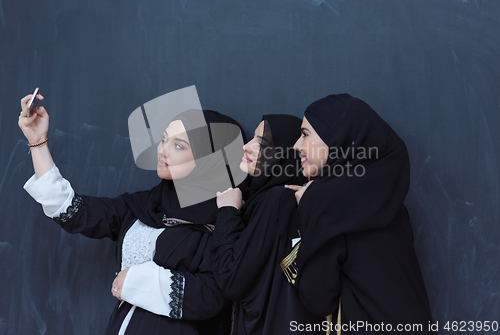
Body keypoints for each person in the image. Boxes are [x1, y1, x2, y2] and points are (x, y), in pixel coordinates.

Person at [18, 92, 244, 335]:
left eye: (178, 145)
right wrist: (37, 141)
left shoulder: (222, 220)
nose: (162, 151)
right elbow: (74, 211)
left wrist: (138, 280)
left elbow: (213, 295)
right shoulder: (143, 205)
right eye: (164, 139)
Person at [285, 94, 436, 334]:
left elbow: (317, 300)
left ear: (337, 138)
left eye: (305, 134)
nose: (296, 146)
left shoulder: (324, 207)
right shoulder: (390, 204)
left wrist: (311, 207)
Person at [211, 115, 325, 335]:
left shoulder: (276, 200)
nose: (246, 146)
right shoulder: (266, 198)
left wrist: (227, 212)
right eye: (252, 138)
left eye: (261, 143)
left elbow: (231, 278)